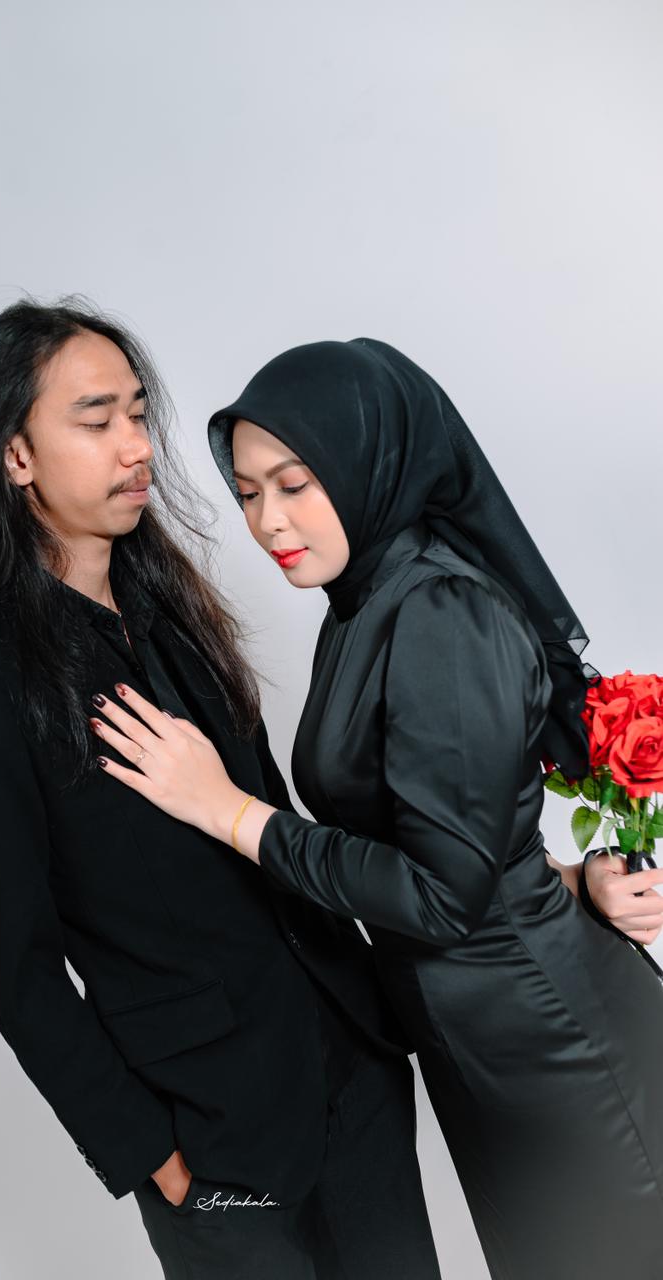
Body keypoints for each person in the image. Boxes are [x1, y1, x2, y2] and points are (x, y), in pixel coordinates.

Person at [0, 302, 455, 1280]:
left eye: (138, 413)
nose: (135, 445)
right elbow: (12, 963)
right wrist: (154, 1159)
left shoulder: (173, 610)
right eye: (96, 419)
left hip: (354, 1072)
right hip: (211, 1137)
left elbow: (273, 828)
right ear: (15, 455)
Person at [92, 337, 663, 1280]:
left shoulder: (440, 612)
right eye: (248, 493)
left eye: (295, 484)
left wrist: (229, 812)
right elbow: (453, 836)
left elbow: (443, 895)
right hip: (487, 1046)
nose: (269, 521)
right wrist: (565, 877)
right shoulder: (365, 602)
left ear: (372, 463)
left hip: (556, 1050)